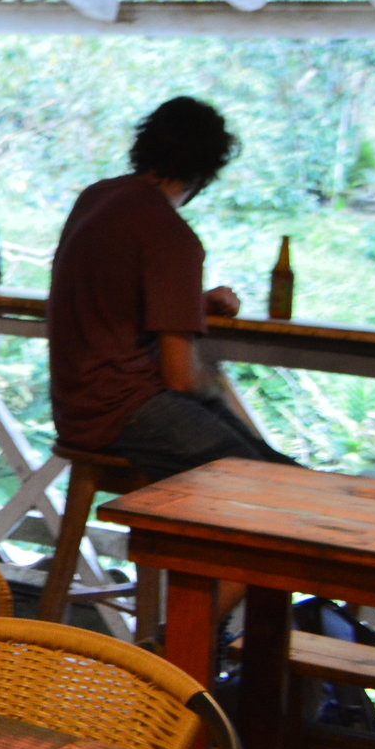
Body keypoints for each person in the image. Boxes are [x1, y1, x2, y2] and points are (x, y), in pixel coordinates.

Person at [47, 96, 293, 478]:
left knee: (275, 468)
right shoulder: (172, 235)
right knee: (263, 480)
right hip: (125, 411)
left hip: (75, 406)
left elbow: (111, 295)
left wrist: (194, 302)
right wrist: (216, 387)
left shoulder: (96, 197)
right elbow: (181, 377)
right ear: (209, 168)